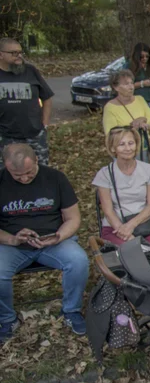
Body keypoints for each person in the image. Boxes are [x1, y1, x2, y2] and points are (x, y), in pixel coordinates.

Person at [0, 144, 88, 340]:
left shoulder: (55, 178)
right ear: (6, 167)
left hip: (52, 240)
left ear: (37, 160)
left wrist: (58, 236)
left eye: (28, 173)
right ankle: (7, 319)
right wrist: (12, 239)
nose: (23, 178)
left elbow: (73, 218)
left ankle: (71, 311)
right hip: (12, 244)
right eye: (16, 175)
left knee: (78, 260)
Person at [94, 127, 150, 255]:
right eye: (121, 144)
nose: (127, 148)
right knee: (135, 258)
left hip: (144, 225)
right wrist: (123, 231)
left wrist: (130, 226)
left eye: (131, 143)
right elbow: (108, 211)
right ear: (113, 148)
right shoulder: (104, 174)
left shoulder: (148, 170)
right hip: (115, 228)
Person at [0, 37, 54, 165]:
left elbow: (47, 97)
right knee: (6, 175)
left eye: (20, 52)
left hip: (34, 135)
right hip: (5, 137)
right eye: (14, 53)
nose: (19, 56)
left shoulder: (30, 71)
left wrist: (44, 125)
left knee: (40, 171)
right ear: (1, 54)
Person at [102, 70, 150, 147]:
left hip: (147, 147)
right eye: (126, 84)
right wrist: (132, 128)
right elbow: (111, 135)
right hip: (127, 151)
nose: (131, 87)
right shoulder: (110, 107)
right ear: (116, 87)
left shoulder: (140, 99)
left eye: (132, 83)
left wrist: (143, 119)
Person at [126, 42, 150, 118]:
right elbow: (125, 85)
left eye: (147, 56)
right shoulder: (129, 66)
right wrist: (142, 83)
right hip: (136, 102)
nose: (145, 59)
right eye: (141, 57)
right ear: (136, 56)